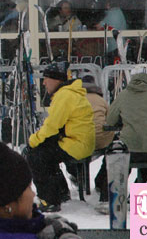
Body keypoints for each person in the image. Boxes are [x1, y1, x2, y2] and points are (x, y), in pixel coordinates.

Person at [26, 60, 95, 212]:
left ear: (56, 79)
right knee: (45, 151)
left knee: (36, 155)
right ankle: (61, 193)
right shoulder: (69, 93)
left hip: (76, 144)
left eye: (46, 79)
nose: (43, 83)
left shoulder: (64, 96)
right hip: (79, 142)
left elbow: (51, 126)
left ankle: (49, 200)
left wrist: (32, 140)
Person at [79, 78, 114, 204]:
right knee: (114, 149)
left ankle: (79, 178)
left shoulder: (75, 99)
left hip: (82, 141)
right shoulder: (101, 101)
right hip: (103, 140)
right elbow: (111, 118)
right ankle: (101, 181)